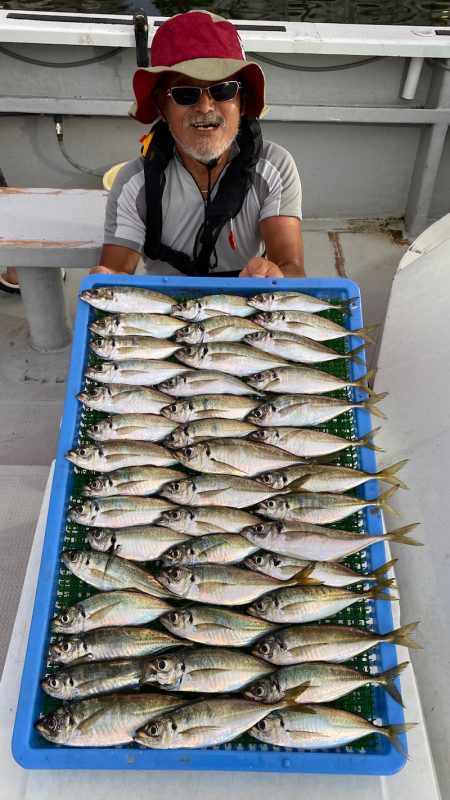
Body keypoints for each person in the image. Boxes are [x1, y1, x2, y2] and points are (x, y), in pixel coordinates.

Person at [91, 10, 305, 280]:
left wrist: (277, 273)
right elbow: (115, 273)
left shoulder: (274, 167)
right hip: (164, 311)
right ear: (161, 105)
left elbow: (291, 267)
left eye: (222, 89)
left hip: (251, 303)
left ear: (242, 99)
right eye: (185, 93)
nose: (205, 106)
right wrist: (106, 280)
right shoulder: (134, 184)